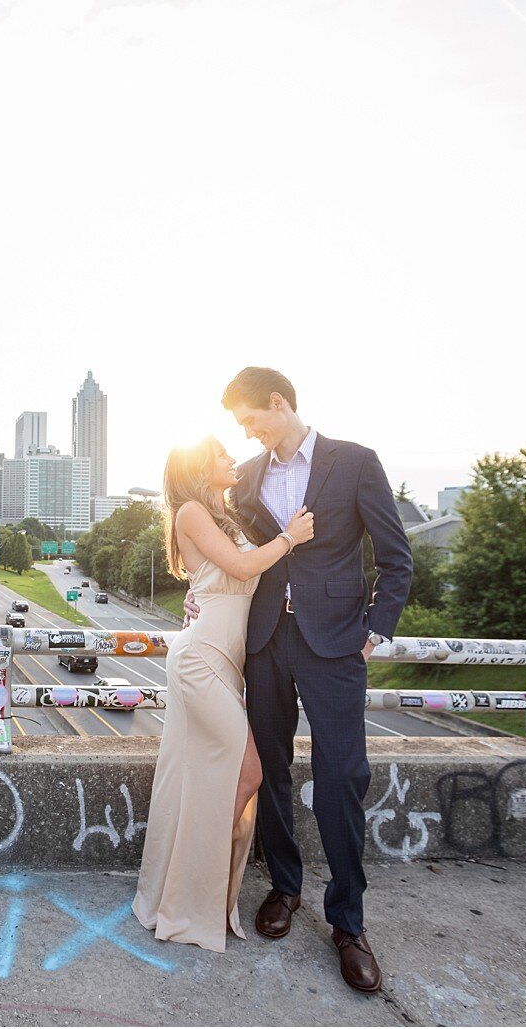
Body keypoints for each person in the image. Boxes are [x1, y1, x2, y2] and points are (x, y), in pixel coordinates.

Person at [185, 366, 412, 992]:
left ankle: (348, 922)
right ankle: (285, 887)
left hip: (337, 642)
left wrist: (379, 627)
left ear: (278, 403)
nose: (246, 432)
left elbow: (396, 556)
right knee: (272, 770)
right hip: (266, 641)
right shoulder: (250, 478)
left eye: (249, 419)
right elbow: (245, 557)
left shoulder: (355, 461)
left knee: (343, 773)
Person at [132, 437, 314, 952]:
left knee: (204, 778)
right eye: (222, 455)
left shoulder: (222, 514)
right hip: (200, 659)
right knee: (248, 771)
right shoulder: (190, 510)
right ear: (199, 466)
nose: (232, 460)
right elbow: (240, 569)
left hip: (225, 661)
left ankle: (192, 893)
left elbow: (231, 578)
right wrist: (290, 537)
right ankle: (195, 892)